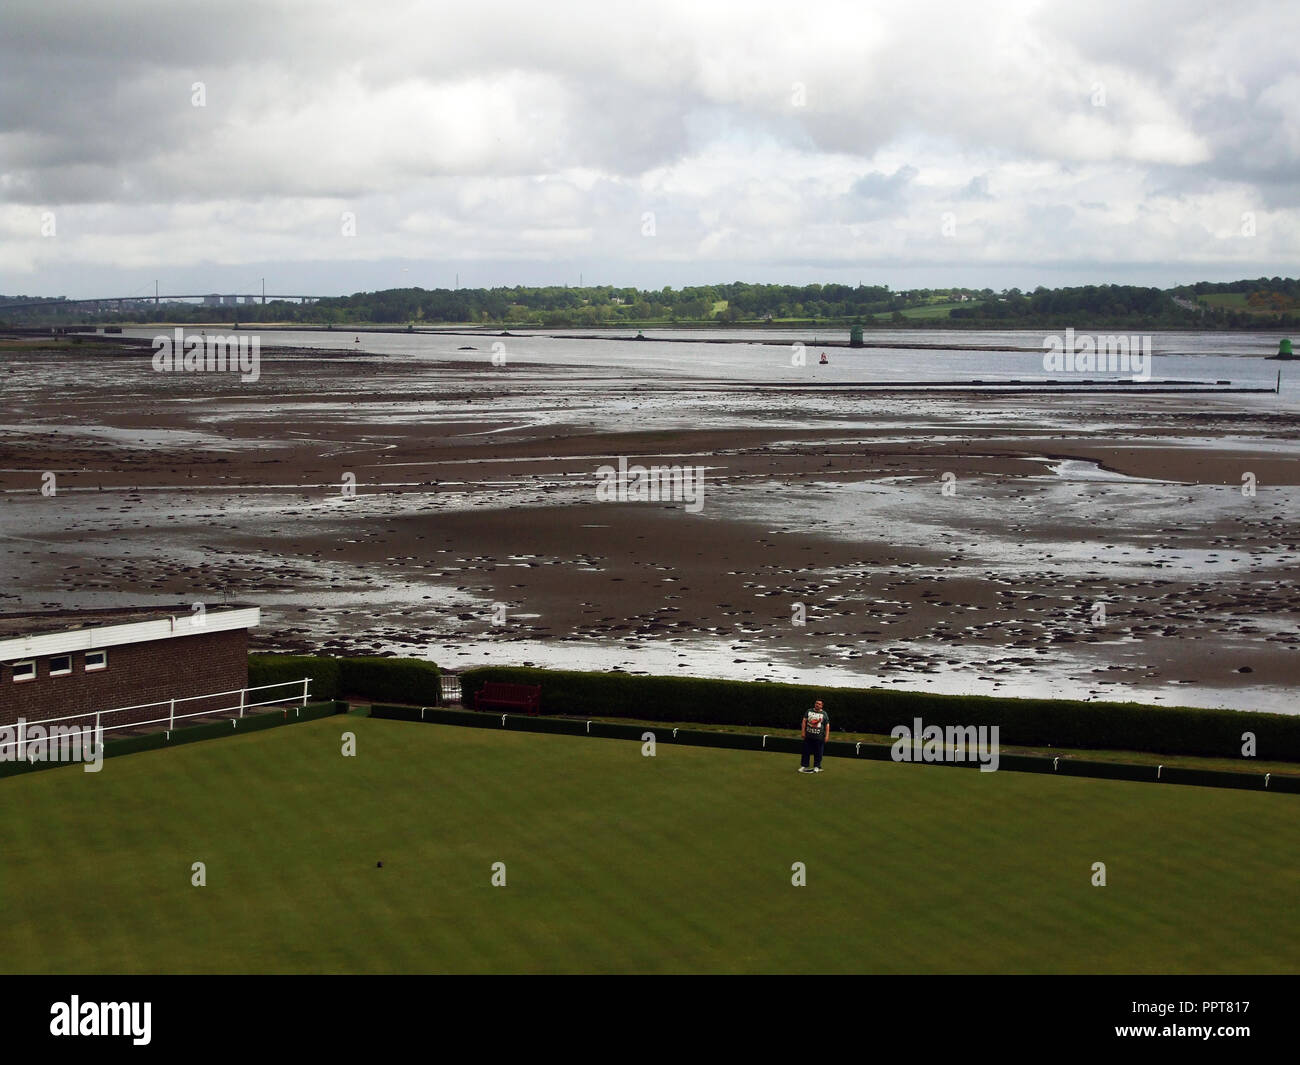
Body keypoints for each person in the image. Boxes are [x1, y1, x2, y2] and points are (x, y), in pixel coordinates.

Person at [799, 699, 830, 773]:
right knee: (806, 751)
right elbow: (804, 721)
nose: (817, 705)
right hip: (808, 736)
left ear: (822, 706)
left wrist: (827, 736)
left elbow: (827, 725)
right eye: (816, 703)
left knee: (818, 752)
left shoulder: (824, 714)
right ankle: (804, 765)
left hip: (819, 737)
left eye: (819, 704)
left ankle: (817, 766)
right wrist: (803, 732)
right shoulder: (809, 711)